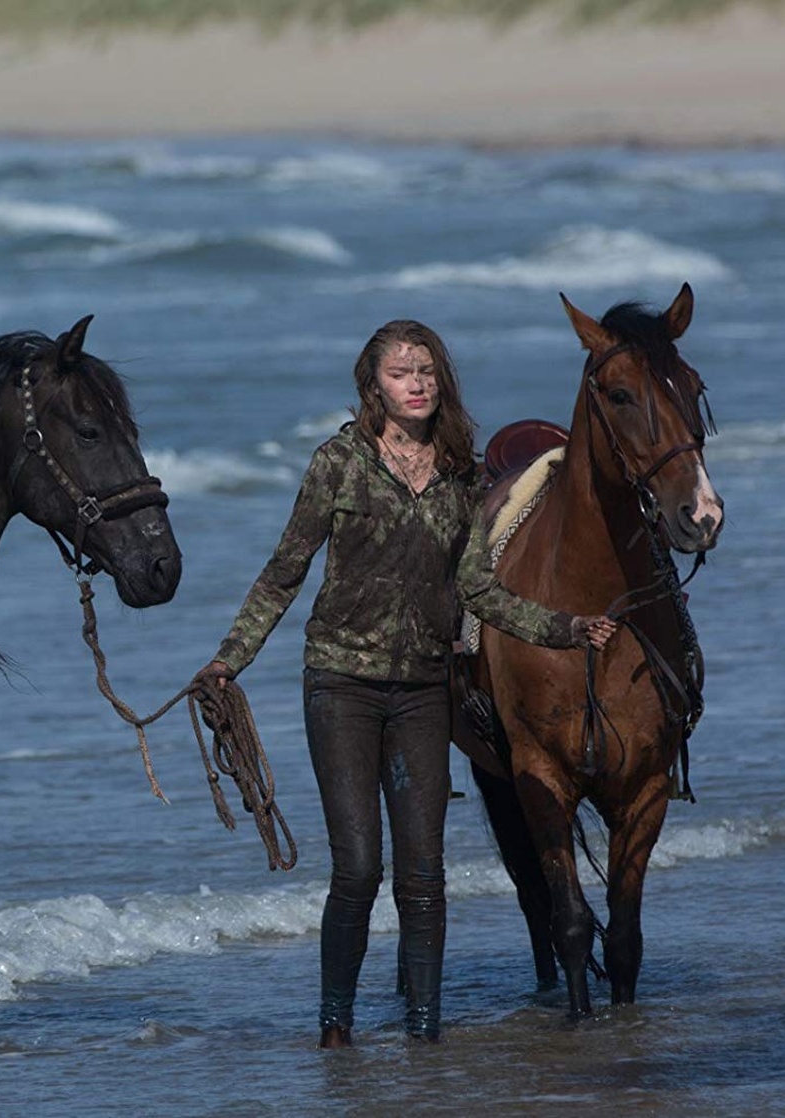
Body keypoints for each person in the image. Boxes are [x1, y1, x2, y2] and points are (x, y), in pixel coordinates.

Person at [198, 320, 615, 1046]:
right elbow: (284, 570)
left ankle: (424, 1031)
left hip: (424, 691)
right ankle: (335, 1027)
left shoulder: (458, 474)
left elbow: (479, 590)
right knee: (358, 871)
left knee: (423, 876)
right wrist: (228, 660)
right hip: (340, 685)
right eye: (400, 372)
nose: (416, 382)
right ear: (372, 388)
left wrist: (565, 628)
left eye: (426, 371)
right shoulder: (338, 463)